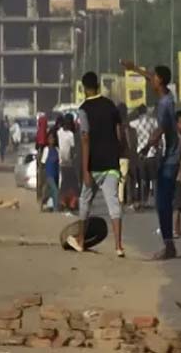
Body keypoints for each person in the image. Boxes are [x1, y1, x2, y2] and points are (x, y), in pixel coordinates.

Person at [122, 60, 180, 260]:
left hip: (170, 157)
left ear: (161, 80)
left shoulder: (165, 104)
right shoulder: (167, 97)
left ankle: (168, 244)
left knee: (162, 202)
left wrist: (145, 147)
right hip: (168, 156)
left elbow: (160, 129)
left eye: (154, 78)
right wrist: (135, 69)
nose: (150, 81)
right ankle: (168, 243)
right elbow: (150, 75)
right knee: (162, 201)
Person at [68, 72, 126, 258]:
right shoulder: (111, 106)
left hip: (94, 165)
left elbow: (85, 139)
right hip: (111, 164)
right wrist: (118, 155)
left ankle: (81, 240)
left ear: (84, 88)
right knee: (113, 204)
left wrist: (85, 169)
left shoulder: (84, 109)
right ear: (99, 86)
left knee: (85, 202)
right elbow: (119, 134)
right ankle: (118, 246)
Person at [130, 104, 159, 209]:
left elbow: (129, 124)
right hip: (152, 153)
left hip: (141, 154)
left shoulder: (135, 123)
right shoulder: (153, 121)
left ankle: (143, 200)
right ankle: (156, 201)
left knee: (142, 179)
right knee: (154, 179)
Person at [58, 114, 78, 210]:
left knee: (65, 183)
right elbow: (73, 149)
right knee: (72, 183)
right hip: (67, 162)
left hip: (64, 162)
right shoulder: (69, 134)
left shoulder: (60, 132)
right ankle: (70, 203)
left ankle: (65, 201)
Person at [41, 130, 60, 212]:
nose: (52, 140)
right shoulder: (46, 149)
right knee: (55, 191)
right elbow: (43, 162)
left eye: (53, 138)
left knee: (50, 192)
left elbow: (60, 162)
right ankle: (56, 210)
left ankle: (44, 205)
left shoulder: (57, 150)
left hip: (56, 174)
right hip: (49, 174)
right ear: (48, 140)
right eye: (50, 138)